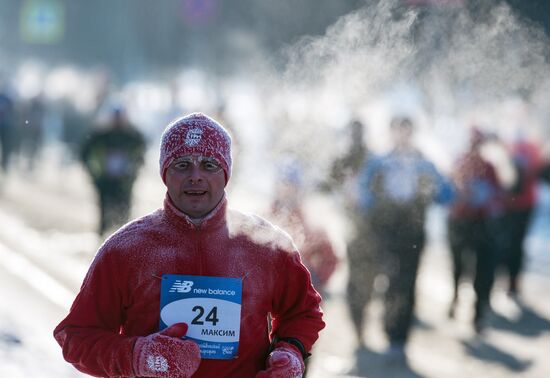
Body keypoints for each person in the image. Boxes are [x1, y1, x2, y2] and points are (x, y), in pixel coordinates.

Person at [54, 112, 325, 377]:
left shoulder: (266, 245)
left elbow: (304, 312)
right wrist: (138, 357)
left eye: (209, 165)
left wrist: (290, 352)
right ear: (165, 173)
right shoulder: (125, 250)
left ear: (226, 173)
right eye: (182, 165)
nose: (195, 176)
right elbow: (76, 337)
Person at [356, 116, 453, 362]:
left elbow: (446, 195)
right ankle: (387, 328)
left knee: (407, 283)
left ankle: (399, 339)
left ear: (412, 133)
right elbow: (362, 195)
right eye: (397, 130)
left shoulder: (424, 164)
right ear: (391, 133)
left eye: (406, 131)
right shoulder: (378, 163)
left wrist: (434, 189)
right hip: (385, 231)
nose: (402, 136)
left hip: (413, 232)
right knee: (388, 281)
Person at [447, 127, 502, 333]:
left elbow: (497, 196)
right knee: (458, 266)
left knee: (482, 269)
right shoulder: (459, 163)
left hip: (480, 223)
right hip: (460, 221)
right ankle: (456, 298)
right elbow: (449, 191)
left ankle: (478, 312)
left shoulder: (488, 167)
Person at [80, 106, 146, 235]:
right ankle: (103, 239)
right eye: (116, 118)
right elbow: (85, 152)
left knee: (124, 210)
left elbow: (141, 154)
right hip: (105, 180)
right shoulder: (102, 136)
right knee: (104, 210)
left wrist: (133, 171)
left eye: (120, 117)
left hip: (124, 181)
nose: (118, 121)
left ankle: (124, 237)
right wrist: (94, 173)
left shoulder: (132, 136)